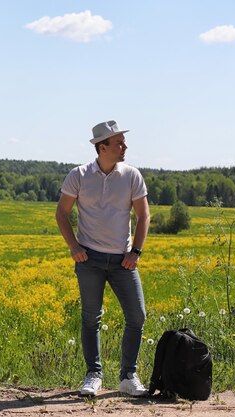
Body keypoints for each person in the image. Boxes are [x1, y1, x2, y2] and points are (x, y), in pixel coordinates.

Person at [55, 120, 151, 397]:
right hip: (90, 260)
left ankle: (128, 376)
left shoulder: (132, 176)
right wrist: (74, 246)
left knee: (137, 315)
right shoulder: (79, 175)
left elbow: (144, 216)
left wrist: (136, 252)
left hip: (123, 260)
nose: (125, 146)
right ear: (102, 147)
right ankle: (93, 376)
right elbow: (62, 213)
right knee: (90, 318)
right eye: (119, 142)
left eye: (123, 141)